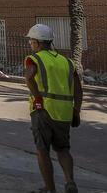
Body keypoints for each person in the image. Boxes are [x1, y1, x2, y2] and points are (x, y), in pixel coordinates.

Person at [23, 23, 83, 193]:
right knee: (63, 149)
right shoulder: (67, 62)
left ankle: (50, 189)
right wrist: (76, 110)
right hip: (64, 113)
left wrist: (38, 98)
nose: (30, 44)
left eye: (31, 41)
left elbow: (29, 78)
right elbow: (78, 89)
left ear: (38, 42)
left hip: (43, 111)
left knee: (43, 150)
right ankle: (70, 181)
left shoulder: (35, 59)